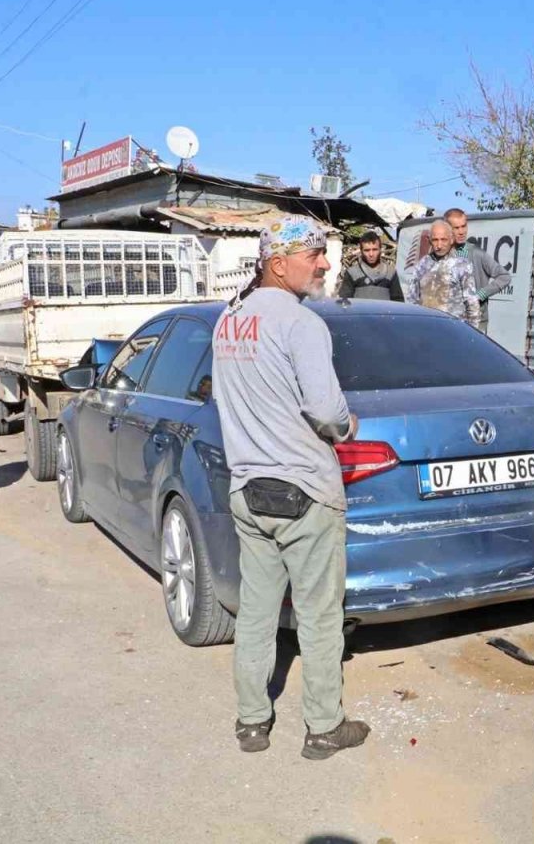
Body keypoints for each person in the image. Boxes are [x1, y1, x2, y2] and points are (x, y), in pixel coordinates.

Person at [212, 215, 371, 760]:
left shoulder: (229, 319)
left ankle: (252, 722)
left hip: (249, 489)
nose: (326, 264)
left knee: (257, 611)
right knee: (320, 614)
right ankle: (324, 726)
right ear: (279, 264)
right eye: (315, 256)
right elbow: (326, 409)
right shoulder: (302, 324)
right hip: (305, 491)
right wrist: (347, 425)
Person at [445, 208, 511, 333]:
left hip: (475, 323)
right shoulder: (442, 255)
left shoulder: (476, 253)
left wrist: (479, 296)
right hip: (450, 321)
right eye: (456, 228)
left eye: (463, 226)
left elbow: (504, 276)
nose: (461, 232)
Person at [410, 220, 481, 328]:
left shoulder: (462, 265)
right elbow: (412, 300)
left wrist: (473, 335)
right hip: (425, 328)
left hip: (453, 330)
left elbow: (472, 303)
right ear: (429, 241)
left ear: (451, 240)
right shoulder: (422, 265)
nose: (439, 245)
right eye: (435, 240)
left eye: (443, 240)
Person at [336, 230, 403, 301]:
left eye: (374, 250)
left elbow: (398, 302)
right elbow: (344, 302)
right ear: (361, 251)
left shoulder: (390, 273)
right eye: (367, 250)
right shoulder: (352, 273)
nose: (371, 254)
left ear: (380, 249)